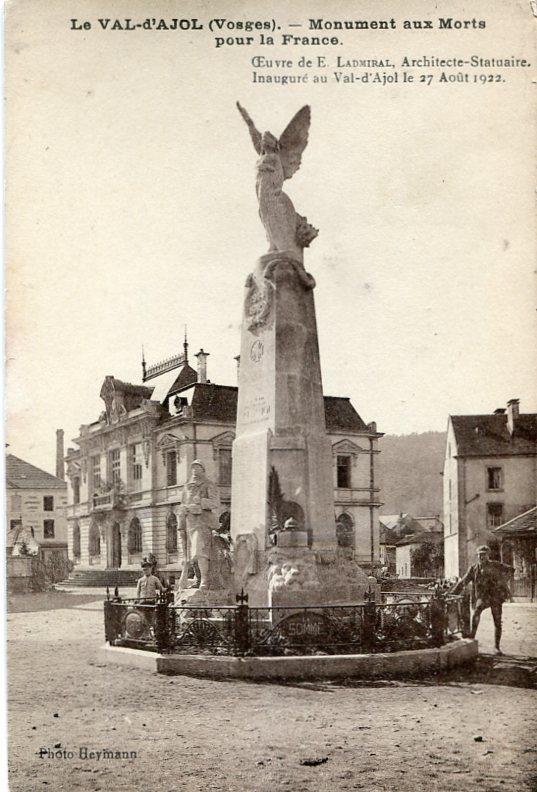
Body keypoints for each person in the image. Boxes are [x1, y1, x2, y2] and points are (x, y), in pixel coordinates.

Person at [451, 545, 513, 655]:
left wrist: (503, 581)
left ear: (488, 555)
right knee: (477, 611)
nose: (481, 557)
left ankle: (497, 647)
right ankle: (472, 639)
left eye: (483, 555)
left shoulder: (495, 565)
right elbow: (463, 582)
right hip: (482, 597)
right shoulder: (474, 568)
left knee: (497, 621)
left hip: (495, 597)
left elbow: (511, 570)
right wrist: (451, 593)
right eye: (479, 555)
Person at [178, 460, 218, 591]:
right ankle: (198, 578)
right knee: (190, 554)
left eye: (197, 468)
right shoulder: (187, 486)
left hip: (203, 522)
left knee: (199, 551)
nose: (194, 471)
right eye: (192, 468)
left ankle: (205, 580)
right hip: (190, 522)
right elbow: (183, 503)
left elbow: (215, 503)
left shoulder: (208, 485)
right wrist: (183, 510)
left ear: (203, 469)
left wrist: (201, 502)